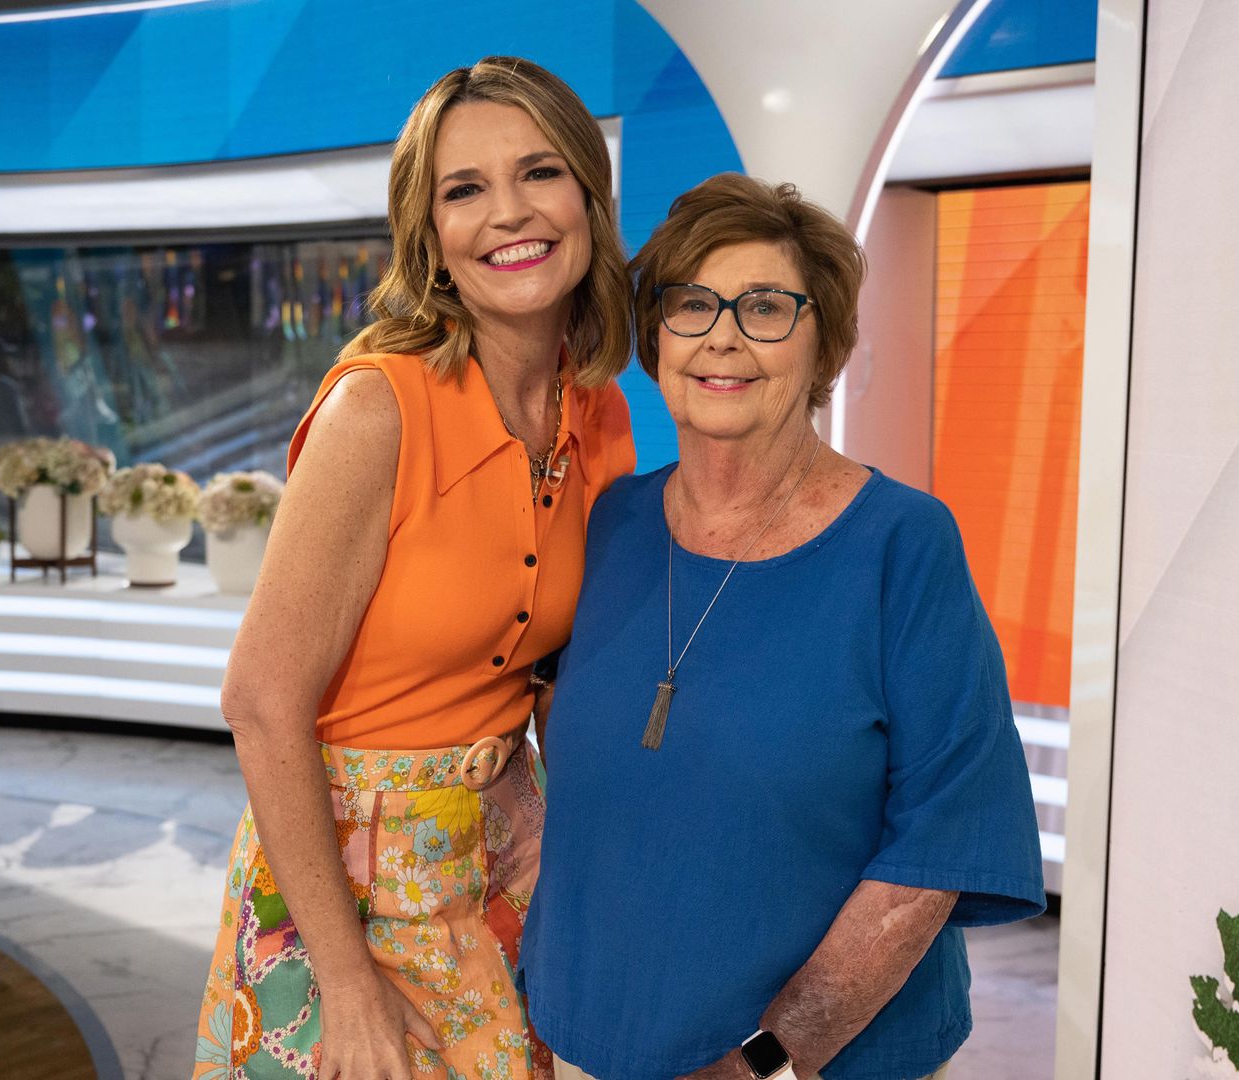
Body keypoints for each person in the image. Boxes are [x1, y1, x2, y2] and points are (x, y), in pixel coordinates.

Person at [520, 173, 1045, 1080]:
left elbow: (939, 843)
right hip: (585, 1043)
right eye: (690, 305)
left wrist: (764, 1060)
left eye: (765, 306)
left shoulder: (902, 546)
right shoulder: (610, 523)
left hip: (810, 1066)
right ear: (656, 340)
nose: (722, 336)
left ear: (824, 344)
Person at [193, 57, 636, 1080]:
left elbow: (558, 671)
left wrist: (566, 820)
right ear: (428, 232)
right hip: (340, 881)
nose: (508, 213)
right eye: (464, 189)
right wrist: (345, 985)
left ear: (588, 193)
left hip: (496, 859)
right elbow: (260, 699)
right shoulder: (378, 408)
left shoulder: (598, 412)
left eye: (540, 173)